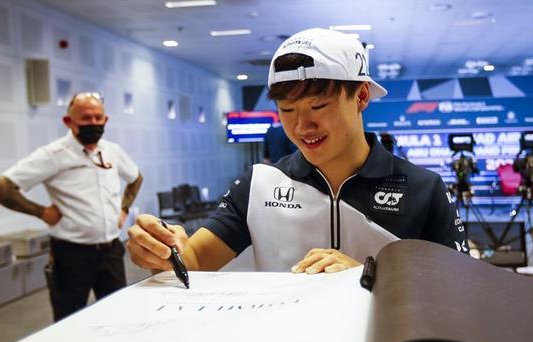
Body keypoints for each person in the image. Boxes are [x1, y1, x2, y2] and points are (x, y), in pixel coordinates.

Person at [127, 28, 466, 275]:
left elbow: (458, 286)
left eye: (318, 106)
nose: (302, 126)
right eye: (287, 110)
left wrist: (369, 275)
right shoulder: (258, 185)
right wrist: (163, 250)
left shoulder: (423, 188)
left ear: (361, 97)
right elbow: (197, 260)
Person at [0, 92, 143, 321]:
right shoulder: (53, 155)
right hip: (71, 255)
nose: (93, 123)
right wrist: (41, 212)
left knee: (118, 317)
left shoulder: (112, 150)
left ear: (106, 120)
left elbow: (136, 178)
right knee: (68, 320)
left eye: (98, 117)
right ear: (69, 121)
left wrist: (124, 209)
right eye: (86, 118)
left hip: (111, 251)